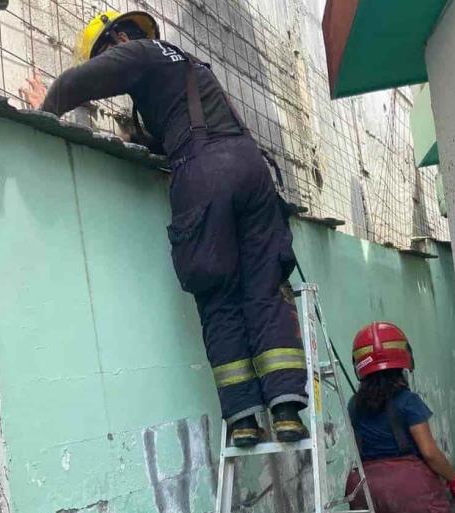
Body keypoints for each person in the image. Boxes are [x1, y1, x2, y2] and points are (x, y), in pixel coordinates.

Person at [18, 10, 308, 447]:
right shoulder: (186, 66)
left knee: (218, 295)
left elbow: (83, 81)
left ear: (117, 38)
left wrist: (48, 103)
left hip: (205, 172)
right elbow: (174, 128)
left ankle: (244, 418)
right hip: (252, 170)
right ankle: (285, 409)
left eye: (105, 50)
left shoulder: (137, 53)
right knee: (263, 288)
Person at [345, 322, 455, 513]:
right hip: (410, 490)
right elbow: (429, 453)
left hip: (367, 490)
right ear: (403, 359)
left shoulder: (354, 405)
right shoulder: (407, 401)